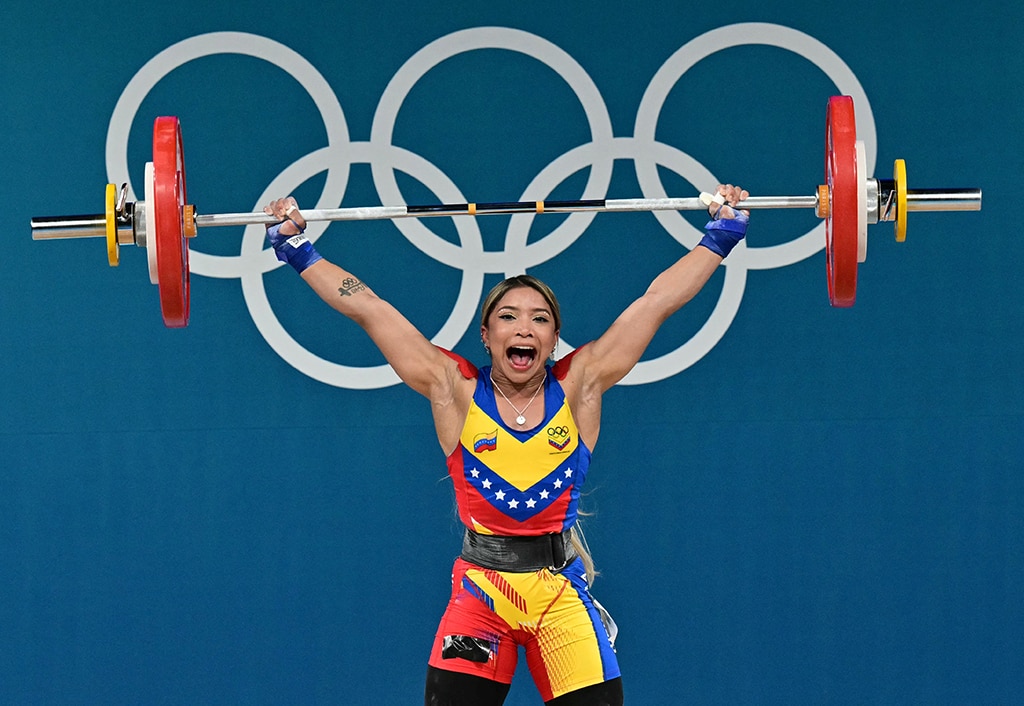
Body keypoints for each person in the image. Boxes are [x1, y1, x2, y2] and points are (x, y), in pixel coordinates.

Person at [263, 185, 750, 706]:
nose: (525, 328)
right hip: (481, 596)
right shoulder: (453, 388)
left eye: (540, 318)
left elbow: (656, 303)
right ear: (487, 335)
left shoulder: (581, 384)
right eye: (510, 317)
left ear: (554, 338)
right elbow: (370, 309)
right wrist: (298, 250)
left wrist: (719, 237)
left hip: (559, 598)